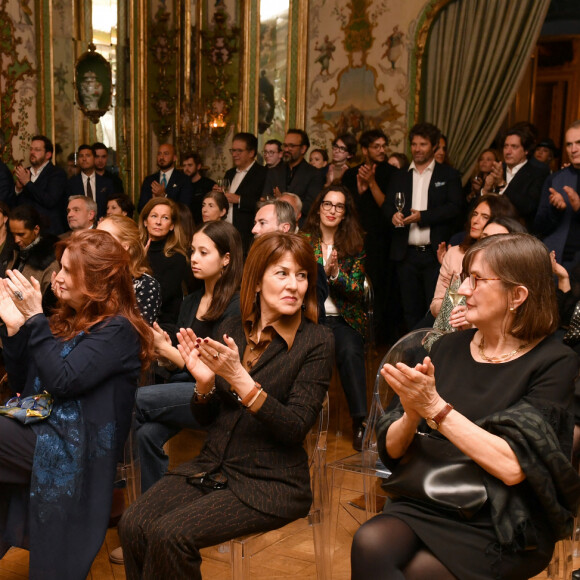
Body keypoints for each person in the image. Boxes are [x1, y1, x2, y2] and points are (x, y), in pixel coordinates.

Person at [351, 233, 580, 580]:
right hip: (426, 496)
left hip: (502, 517)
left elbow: (513, 466)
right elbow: (393, 451)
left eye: (477, 280)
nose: (462, 291)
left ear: (517, 295)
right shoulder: (447, 348)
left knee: (420, 572)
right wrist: (412, 415)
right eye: (465, 278)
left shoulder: (555, 362)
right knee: (369, 542)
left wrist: (436, 409)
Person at [119, 232, 334, 578]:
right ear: (258, 281)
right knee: (133, 523)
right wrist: (204, 384)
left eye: (302, 275)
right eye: (282, 273)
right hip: (214, 467)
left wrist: (241, 380)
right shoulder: (232, 326)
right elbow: (208, 417)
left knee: (170, 535)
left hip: (270, 483)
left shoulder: (317, 341)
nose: (294, 285)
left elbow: (295, 427)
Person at [0, 229, 153, 580]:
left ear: (98, 281)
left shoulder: (119, 331)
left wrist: (35, 318)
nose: (58, 277)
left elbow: (63, 381)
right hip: (44, 429)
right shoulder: (66, 318)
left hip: (76, 445)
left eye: (69, 271)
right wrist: (14, 329)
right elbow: (29, 386)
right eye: (61, 268)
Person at [134, 220, 243, 494]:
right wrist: (162, 350)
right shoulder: (192, 300)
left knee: (128, 399)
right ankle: (152, 507)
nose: (194, 258)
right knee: (147, 435)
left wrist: (168, 349)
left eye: (204, 253)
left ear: (226, 259)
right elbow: (184, 361)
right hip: (186, 386)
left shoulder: (236, 305)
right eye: (193, 251)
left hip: (215, 395)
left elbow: (216, 371)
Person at [302, 185, 367, 450]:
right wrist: (321, 274)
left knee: (350, 351)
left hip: (343, 320)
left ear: (345, 214)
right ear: (319, 208)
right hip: (309, 318)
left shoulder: (355, 245)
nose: (332, 210)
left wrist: (336, 275)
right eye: (327, 204)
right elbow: (298, 281)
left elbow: (357, 291)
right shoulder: (304, 242)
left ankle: (361, 421)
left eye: (339, 206)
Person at [384, 122, 463, 331]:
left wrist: (422, 217)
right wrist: (392, 217)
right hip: (406, 255)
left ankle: (434, 353)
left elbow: (455, 208)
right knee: (409, 310)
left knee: (435, 309)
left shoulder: (448, 175)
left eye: (423, 144)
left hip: (434, 254)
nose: (417, 149)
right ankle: (413, 355)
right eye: (414, 144)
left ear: (435, 146)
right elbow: (385, 207)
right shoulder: (400, 175)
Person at [431, 194, 518, 317]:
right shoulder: (454, 254)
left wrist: (461, 302)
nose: (475, 221)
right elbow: (435, 307)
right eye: (475, 214)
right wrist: (456, 298)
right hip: (450, 324)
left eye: (485, 217)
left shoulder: (506, 260)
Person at [139, 198, 192, 334]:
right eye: (154, 216)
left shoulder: (177, 257)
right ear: (145, 221)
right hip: (135, 318)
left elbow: (159, 297)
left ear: (172, 225)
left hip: (162, 325)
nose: (158, 222)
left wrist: (139, 265)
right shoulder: (135, 251)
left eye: (165, 218)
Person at [481, 127, 549, 231]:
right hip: (490, 229)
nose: (508, 151)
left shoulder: (537, 173)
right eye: (505, 146)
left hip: (519, 232)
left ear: (526, 150)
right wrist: (485, 190)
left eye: (514, 147)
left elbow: (528, 207)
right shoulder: (497, 168)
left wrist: (502, 185)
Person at [98, 215, 162, 325]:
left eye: (104, 238)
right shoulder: (91, 277)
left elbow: (138, 333)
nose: (94, 242)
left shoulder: (145, 285)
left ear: (125, 245)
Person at [534, 120, 580, 272]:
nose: (573, 149)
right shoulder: (556, 179)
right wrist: (556, 210)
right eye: (569, 144)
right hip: (557, 262)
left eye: (579, 143)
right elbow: (539, 226)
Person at [219, 132, 267, 254]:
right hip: (226, 232)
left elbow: (264, 204)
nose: (234, 154)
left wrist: (239, 200)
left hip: (247, 235)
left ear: (251, 153)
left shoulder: (262, 173)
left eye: (239, 151)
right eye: (233, 150)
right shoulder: (229, 173)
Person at [262, 128, 325, 220]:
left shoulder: (314, 174)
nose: (287, 149)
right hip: (275, 223)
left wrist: (283, 200)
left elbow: (311, 206)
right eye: (285, 145)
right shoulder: (274, 172)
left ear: (303, 149)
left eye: (291, 146)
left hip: (301, 226)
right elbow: (265, 199)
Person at [8, 205, 59, 312]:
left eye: (21, 234)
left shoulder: (50, 262)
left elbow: (50, 308)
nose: (16, 240)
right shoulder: (14, 253)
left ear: (36, 229)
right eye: (13, 234)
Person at [13, 135, 68, 235]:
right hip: (27, 231)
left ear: (48, 155)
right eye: (31, 149)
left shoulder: (57, 173)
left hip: (49, 231)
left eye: (37, 150)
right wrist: (18, 189)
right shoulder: (26, 172)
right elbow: (17, 205)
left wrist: (28, 183)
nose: (32, 152)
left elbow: (50, 201)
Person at [137, 143, 193, 212]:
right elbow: (140, 208)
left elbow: (185, 209)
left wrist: (164, 196)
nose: (161, 157)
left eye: (166, 154)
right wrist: (153, 202)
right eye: (159, 154)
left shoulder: (183, 180)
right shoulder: (149, 180)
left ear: (174, 158)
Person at [65, 144, 114, 220]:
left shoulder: (107, 183)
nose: (84, 159)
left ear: (94, 159)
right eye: (81, 156)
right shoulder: (70, 183)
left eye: (88, 156)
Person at [181, 151, 215, 224]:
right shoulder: (180, 185)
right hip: (185, 225)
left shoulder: (209, 184)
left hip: (203, 225)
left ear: (198, 166)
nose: (186, 169)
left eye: (190, 165)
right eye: (184, 165)